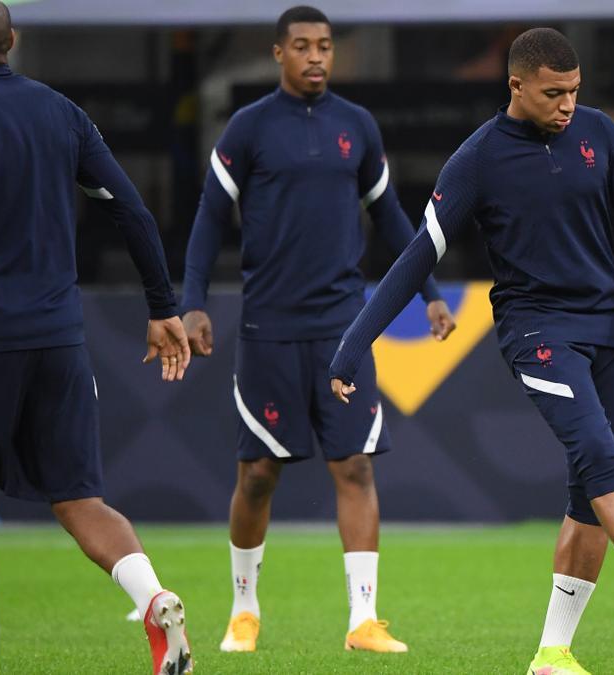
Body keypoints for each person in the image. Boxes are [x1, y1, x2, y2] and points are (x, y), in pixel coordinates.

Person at [329, 27, 614, 674]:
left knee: (589, 492)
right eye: (553, 92)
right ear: (517, 86)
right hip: (538, 330)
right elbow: (419, 254)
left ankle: (552, 654)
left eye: (574, 91)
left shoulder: (600, 135)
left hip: (610, 329)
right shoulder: (478, 160)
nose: (566, 104)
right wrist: (353, 343)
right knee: (597, 453)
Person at [0, 1, 193, 673]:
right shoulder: (62, 113)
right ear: (13, 42)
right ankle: (154, 596)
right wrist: (162, 303)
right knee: (81, 499)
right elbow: (131, 210)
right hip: (59, 338)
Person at [180, 5, 455, 655]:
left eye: (325, 46)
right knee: (257, 473)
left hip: (344, 329)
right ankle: (244, 610)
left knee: (355, 465)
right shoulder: (248, 129)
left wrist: (431, 294)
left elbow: (391, 219)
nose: (316, 57)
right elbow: (207, 219)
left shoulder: (356, 127)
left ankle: (364, 620)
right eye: (302, 46)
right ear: (278, 53)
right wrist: (191, 301)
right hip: (268, 326)